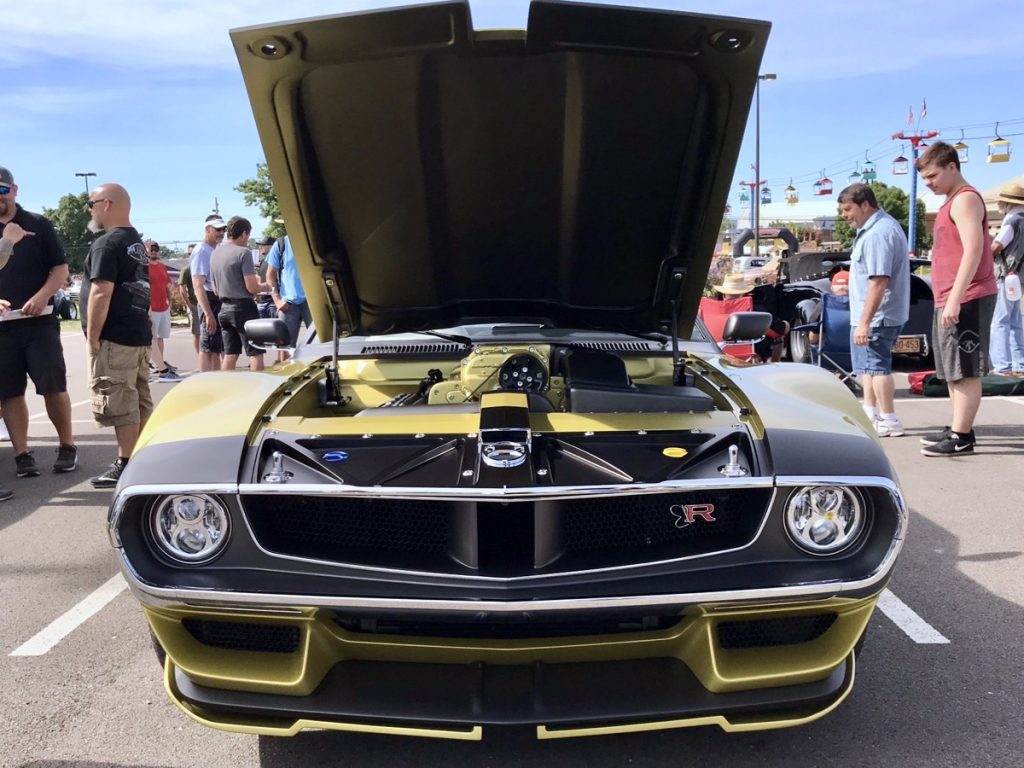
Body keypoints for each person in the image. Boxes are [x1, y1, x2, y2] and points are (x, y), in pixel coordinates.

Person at [915, 142, 998, 457]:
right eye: (925, 179)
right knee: (952, 368)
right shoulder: (952, 201)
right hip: (952, 296)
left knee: (964, 368)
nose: (929, 183)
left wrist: (955, 299)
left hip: (968, 296)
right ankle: (958, 427)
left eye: (933, 176)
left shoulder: (964, 200)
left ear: (953, 167)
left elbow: (975, 251)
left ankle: (961, 436)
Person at [0, 165, 78, 478]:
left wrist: (44, 295)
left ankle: (67, 446)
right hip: (4, 327)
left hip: (39, 323)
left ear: (14, 190)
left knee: (52, 386)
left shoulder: (38, 224)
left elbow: (60, 269)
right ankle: (22, 454)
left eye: (2, 190)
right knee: (9, 393)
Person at [80, 183, 153, 488]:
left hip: (115, 336)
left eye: (91, 203)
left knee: (120, 400)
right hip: (137, 332)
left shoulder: (107, 244)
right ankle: (141, 458)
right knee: (137, 398)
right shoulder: (136, 242)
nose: (90, 210)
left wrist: (93, 336)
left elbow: (101, 292)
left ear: (106, 204)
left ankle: (126, 464)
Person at [837, 183, 911, 438]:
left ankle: (890, 419)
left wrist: (865, 322)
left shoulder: (879, 233)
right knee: (867, 367)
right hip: (869, 315)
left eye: (848, 209)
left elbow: (879, 280)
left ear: (865, 205)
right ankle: (870, 414)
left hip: (877, 316)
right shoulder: (876, 228)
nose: (844, 215)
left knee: (877, 367)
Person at [209, 216, 267, 371]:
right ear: (244, 233)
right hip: (243, 307)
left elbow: (215, 288)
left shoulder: (216, 253)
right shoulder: (244, 253)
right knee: (255, 352)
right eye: (248, 236)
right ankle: (258, 391)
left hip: (224, 308)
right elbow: (252, 288)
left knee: (230, 353)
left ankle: (226, 389)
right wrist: (264, 286)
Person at [988, 182, 1024, 377]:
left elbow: (998, 245)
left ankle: (1002, 366)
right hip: (1020, 275)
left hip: (1006, 273)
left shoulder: (1012, 220)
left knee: (1000, 320)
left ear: (1007, 202)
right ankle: (1020, 364)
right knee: (1015, 320)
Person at [715, 272, 789, 362]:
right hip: (746, 359)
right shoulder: (752, 308)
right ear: (744, 294)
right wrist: (786, 324)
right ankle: (772, 367)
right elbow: (779, 330)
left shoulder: (712, 309)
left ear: (723, 295)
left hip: (716, 357)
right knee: (778, 335)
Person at [190, 216, 227, 372]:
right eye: (217, 229)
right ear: (207, 230)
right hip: (209, 301)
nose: (221, 233)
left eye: (223, 229)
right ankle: (206, 382)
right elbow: (198, 285)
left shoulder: (215, 249)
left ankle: (216, 380)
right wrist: (208, 314)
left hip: (218, 301)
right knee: (208, 347)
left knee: (216, 348)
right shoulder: (201, 251)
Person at [266, 235, 311, 361]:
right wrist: (277, 299)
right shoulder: (281, 244)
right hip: (288, 304)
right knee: (285, 347)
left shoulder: (314, 240)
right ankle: (285, 375)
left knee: (321, 344)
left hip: (313, 303)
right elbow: (270, 274)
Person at [145, 240, 180, 382]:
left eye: (156, 249)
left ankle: (160, 363)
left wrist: (169, 303)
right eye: (151, 249)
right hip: (151, 308)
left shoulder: (161, 266)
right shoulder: (145, 267)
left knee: (160, 337)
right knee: (150, 339)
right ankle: (149, 366)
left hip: (163, 307)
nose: (153, 251)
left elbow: (167, 286)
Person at [177, 243, 201, 367]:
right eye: (189, 253)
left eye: (194, 253)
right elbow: (182, 289)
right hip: (194, 305)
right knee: (196, 332)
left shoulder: (203, 266)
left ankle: (206, 355)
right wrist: (190, 305)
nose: (192, 255)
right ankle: (200, 357)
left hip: (205, 304)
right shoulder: (186, 269)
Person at [254, 236, 277, 319]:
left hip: (272, 303)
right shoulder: (263, 261)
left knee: (276, 331)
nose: (260, 247)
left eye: (263, 245)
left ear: (272, 246)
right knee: (263, 331)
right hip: (261, 302)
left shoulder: (278, 261)